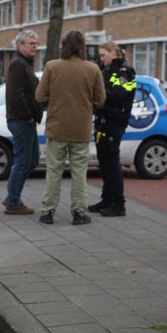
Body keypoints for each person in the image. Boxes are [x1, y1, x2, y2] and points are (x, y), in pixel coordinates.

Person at [35, 30, 105, 225]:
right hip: (80, 129)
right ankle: (79, 213)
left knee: (53, 172)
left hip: (57, 128)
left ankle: (48, 212)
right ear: (82, 47)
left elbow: (39, 97)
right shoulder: (92, 69)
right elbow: (101, 99)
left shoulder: (52, 67)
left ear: (63, 46)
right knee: (79, 173)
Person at [89, 41, 137, 217]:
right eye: (100, 56)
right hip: (102, 120)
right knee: (104, 162)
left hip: (114, 121)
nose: (101, 59)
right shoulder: (106, 70)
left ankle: (119, 203)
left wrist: (99, 92)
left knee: (112, 163)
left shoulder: (125, 71)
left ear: (113, 52)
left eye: (103, 55)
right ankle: (107, 199)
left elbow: (119, 94)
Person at [2, 30, 42, 215]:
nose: (34, 46)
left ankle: (12, 194)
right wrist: (27, 115)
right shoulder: (18, 64)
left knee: (32, 160)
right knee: (23, 161)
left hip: (26, 120)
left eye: (36, 43)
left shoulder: (25, 63)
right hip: (21, 121)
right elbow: (15, 94)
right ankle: (13, 201)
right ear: (20, 45)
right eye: (30, 43)